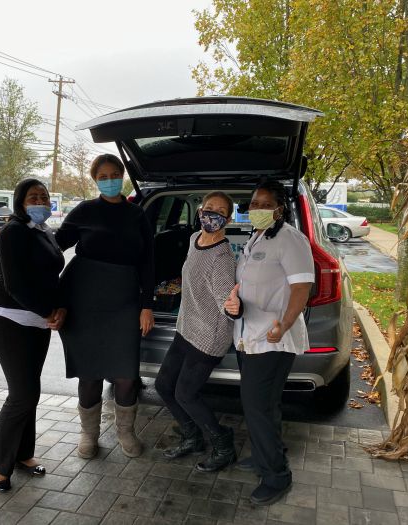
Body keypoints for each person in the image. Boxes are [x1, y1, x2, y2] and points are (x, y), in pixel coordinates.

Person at [55, 153, 155, 459]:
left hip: (124, 300)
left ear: (122, 176)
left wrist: (146, 305)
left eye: (114, 175)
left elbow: (148, 261)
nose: (110, 180)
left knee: (126, 373)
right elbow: (54, 245)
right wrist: (17, 235)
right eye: (103, 176)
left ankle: (125, 431)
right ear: (95, 180)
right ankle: (89, 434)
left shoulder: (137, 215)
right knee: (90, 373)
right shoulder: (84, 210)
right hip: (83, 299)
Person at [224, 179, 315, 506]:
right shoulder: (256, 237)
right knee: (265, 404)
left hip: (274, 338)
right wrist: (234, 304)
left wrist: (284, 324)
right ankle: (266, 456)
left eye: (264, 204)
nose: (257, 209)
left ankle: (276, 474)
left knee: (256, 405)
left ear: (279, 209)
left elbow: (301, 289)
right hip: (249, 335)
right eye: (253, 204)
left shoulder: (291, 240)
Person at [0, 178, 66, 492]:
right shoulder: (12, 232)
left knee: (31, 391)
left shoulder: (44, 231)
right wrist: (50, 312)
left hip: (38, 322)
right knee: (21, 394)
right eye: (33, 197)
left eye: (44, 196)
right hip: (9, 321)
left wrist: (58, 307)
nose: (40, 201)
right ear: (21, 202)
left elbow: (52, 273)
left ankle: (23, 454)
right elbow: (14, 285)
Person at [155, 191, 239, 472]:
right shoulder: (194, 239)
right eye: (208, 207)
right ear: (200, 210)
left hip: (209, 335)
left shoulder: (223, 257)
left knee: (185, 394)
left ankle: (223, 444)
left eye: (220, 210)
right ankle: (192, 437)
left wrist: (233, 307)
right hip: (187, 326)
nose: (212, 213)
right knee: (164, 386)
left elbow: (227, 302)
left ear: (227, 218)